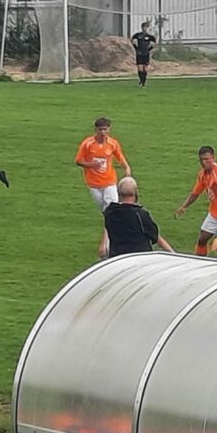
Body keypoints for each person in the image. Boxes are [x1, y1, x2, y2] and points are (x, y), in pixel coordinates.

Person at [75, 117, 132, 258]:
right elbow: (78, 161)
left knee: (111, 211)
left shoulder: (112, 144)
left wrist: (127, 169)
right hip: (94, 184)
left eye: (105, 129)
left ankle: (105, 245)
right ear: (96, 130)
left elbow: (120, 157)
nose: (103, 132)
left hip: (110, 182)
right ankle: (115, 236)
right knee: (107, 213)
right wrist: (91, 165)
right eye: (100, 129)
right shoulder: (88, 144)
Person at [174, 146, 217, 256]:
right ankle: (199, 262)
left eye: (207, 159)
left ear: (213, 158)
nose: (204, 162)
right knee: (202, 239)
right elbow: (195, 193)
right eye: (201, 159)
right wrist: (184, 206)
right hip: (215, 212)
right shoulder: (203, 175)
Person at [103, 177, 174, 257]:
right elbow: (156, 237)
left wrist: (103, 245)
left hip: (118, 258)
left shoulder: (110, 213)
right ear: (136, 194)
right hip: (139, 258)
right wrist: (173, 254)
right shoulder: (140, 215)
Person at [131, 21, 157, 87]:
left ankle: (144, 82)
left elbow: (155, 42)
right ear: (142, 28)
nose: (144, 28)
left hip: (146, 54)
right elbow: (132, 40)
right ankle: (141, 80)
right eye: (143, 27)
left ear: (147, 28)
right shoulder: (137, 35)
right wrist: (136, 47)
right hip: (139, 53)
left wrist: (150, 49)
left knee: (145, 69)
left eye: (146, 27)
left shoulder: (149, 36)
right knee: (140, 68)